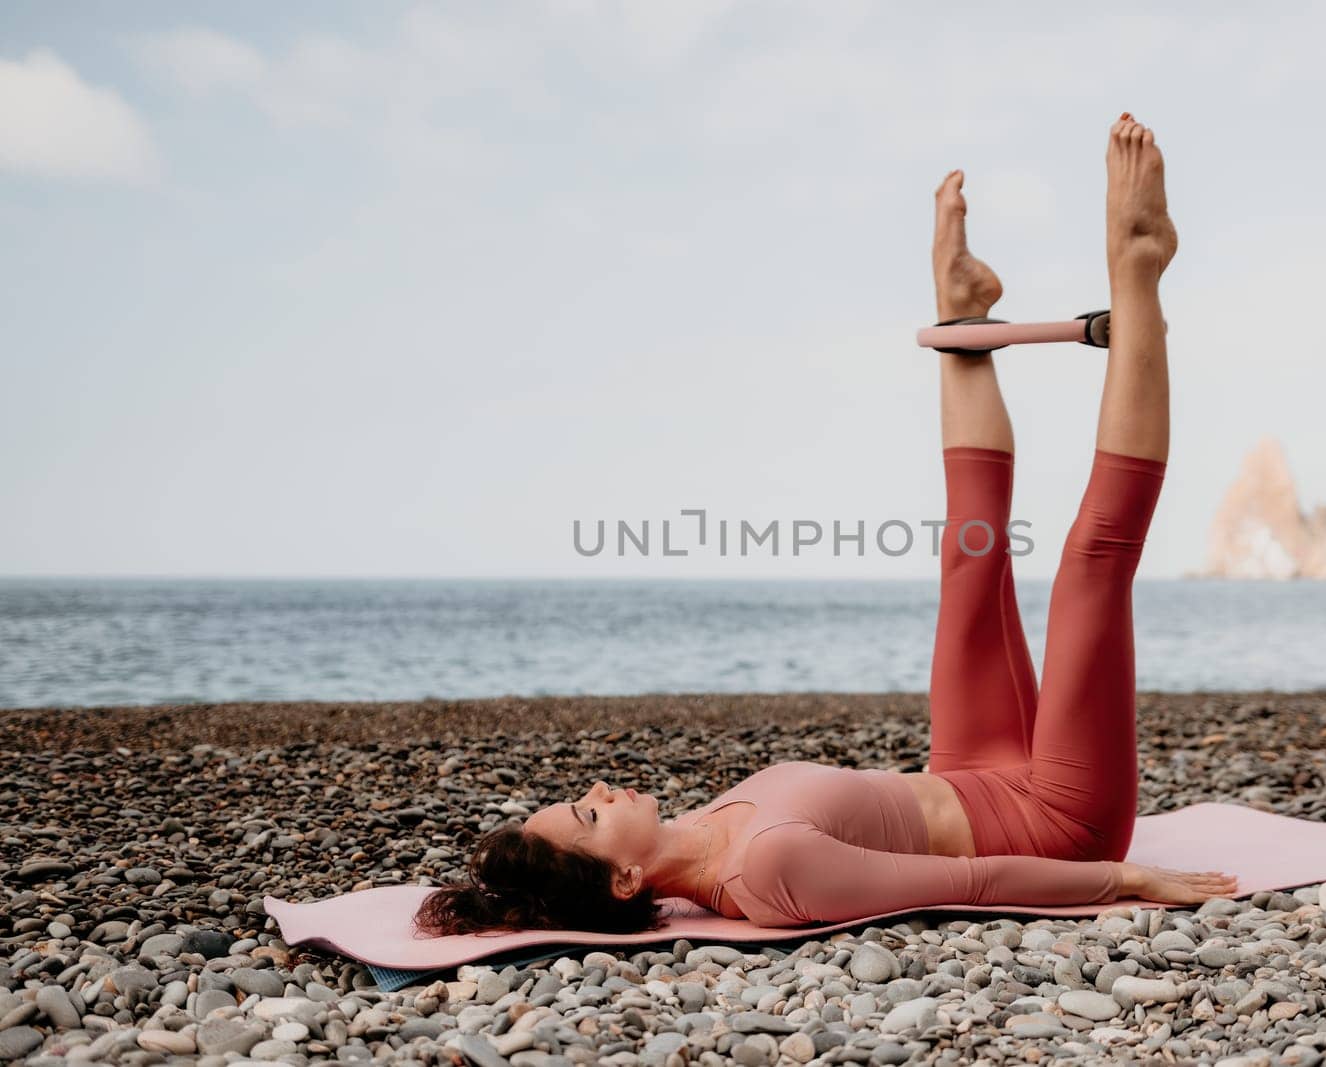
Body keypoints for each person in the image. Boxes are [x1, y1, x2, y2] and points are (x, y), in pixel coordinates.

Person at [418, 113, 1237, 935]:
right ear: (628, 879)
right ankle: (1138, 265)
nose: (596, 791)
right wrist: (1125, 876)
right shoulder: (764, 871)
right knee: (1090, 562)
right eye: (590, 817)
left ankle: (963, 320)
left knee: (970, 553)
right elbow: (974, 883)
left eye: (578, 798)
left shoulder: (702, 823)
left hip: (970, 772)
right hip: (1058, 821)